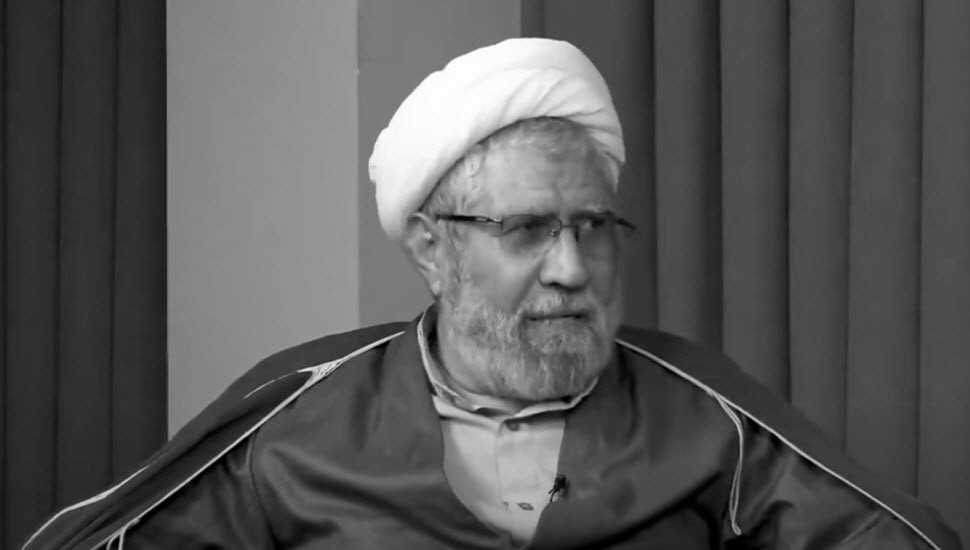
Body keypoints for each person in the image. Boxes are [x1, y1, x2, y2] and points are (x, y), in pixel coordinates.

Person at [24, 38, 961, 550]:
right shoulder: (302, 418)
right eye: (527, 230)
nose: (572, 268)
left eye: (593, 227)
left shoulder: (701, 412)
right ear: (432, 249)